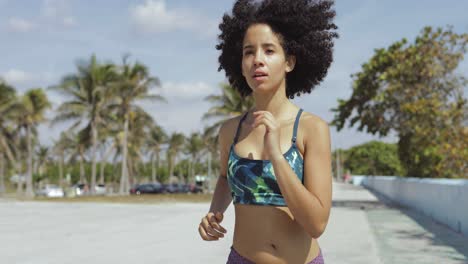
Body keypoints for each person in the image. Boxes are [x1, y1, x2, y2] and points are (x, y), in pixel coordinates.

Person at [198, 0, 338, 263]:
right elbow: (225, 178)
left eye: (269, 50)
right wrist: (214, 212)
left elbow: (317, 224)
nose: (257, 60)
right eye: (248, 52)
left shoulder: (311, 128)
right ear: (239, 63)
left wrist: (275, 154)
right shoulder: (231, 130)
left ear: (290, 62)